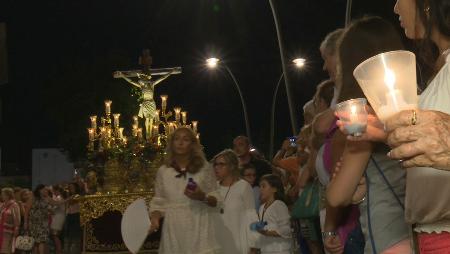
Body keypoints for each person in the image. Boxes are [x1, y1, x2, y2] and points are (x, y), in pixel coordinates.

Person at [326, 16, 411, 254]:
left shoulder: (364, 118)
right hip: (426, 229)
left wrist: (341, 183)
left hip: (389, 234)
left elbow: (337, 196)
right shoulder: (418, 98)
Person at [148, 127, 221, 254]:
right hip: (174, 227)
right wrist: (155, 218)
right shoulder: (164, 171)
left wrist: (201, 196)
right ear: (171, 144)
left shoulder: (204, 168)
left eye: (185, 139)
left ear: (192, 144)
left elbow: (216, 199)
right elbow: (159, 201)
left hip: (199, 224)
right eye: (176, 139)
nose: (180, 143)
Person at [212, 149, 257, 254]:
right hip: (217, 243)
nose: (216, 168)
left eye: (221, 164)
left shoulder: (243, 186)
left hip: (238, 243)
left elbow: (251, 217)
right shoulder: (213, 188)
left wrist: (254, 245)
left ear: (232, 166)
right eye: (215, 164)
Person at [254, 174, 291, 254]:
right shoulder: (261, 207)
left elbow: (286, 229)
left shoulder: (279, 205)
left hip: (280, 250)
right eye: (260, 186)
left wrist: (267, 233)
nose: (260, 189)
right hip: (265, 250)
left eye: (263, 186)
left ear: (274, 189)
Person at [29, 185, 51, 254]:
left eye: (45, 190)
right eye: (43, 189)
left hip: (43, 222)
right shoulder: (33, 198)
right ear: (39, 190)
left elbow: (57, 203)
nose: (45, 191)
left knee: (42, 240)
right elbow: (27, 210)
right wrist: (26, 222)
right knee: (36, 241)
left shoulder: (47, 198)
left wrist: (67, 200)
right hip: (34, 223)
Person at [0, 188, 20, 254]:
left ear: (8, 195)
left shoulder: (14, 205)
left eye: (3, 194)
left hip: (8, 230)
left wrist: (17, 227)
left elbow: (17, 218)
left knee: (7, 249)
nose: (1, 196)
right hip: (1, 229)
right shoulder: (2, 205)